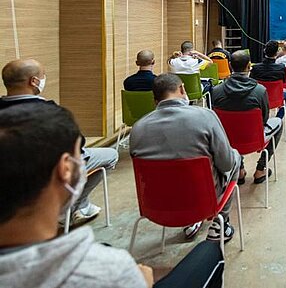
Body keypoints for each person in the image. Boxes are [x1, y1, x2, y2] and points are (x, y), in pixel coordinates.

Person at [0, 103, 225, 288]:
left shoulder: (139, 127)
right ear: (65, 169)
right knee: (209, 252)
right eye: (81, 153)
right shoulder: (109, 271)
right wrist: (138, 280)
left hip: (153, 210)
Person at [0, 59, 118, 228]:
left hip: (9, 181)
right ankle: (77, 206)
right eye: (43, 76)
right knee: (111, 155)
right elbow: (78, 144)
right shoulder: (52, 113)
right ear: (34, 81)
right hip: (49, 177)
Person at [130, 74, 241, 243]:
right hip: (203, 200)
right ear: (182, 89)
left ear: (155, 100)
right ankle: (221, 224)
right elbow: (226, 164)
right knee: (234, 156)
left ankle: (192, 221)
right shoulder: (205, 116)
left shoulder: (137, 128)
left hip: (157, 205)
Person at [211, 49, 282, 184]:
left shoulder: (216, 91)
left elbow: (215, 120)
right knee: (278, 122)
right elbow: (265, 119)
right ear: (249, 66)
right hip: (255, 138)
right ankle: (261, 169)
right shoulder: (260, 90)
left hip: (227, 139)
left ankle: (239, 169)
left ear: (230, 65)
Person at [249, 40, 286, 118]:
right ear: (277, 53)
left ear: (264, 51)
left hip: (259, 99)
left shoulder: (255, 68)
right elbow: (283, 82)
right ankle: (278, 119)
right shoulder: (282, 68)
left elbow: (252, 83)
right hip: (276, 99)